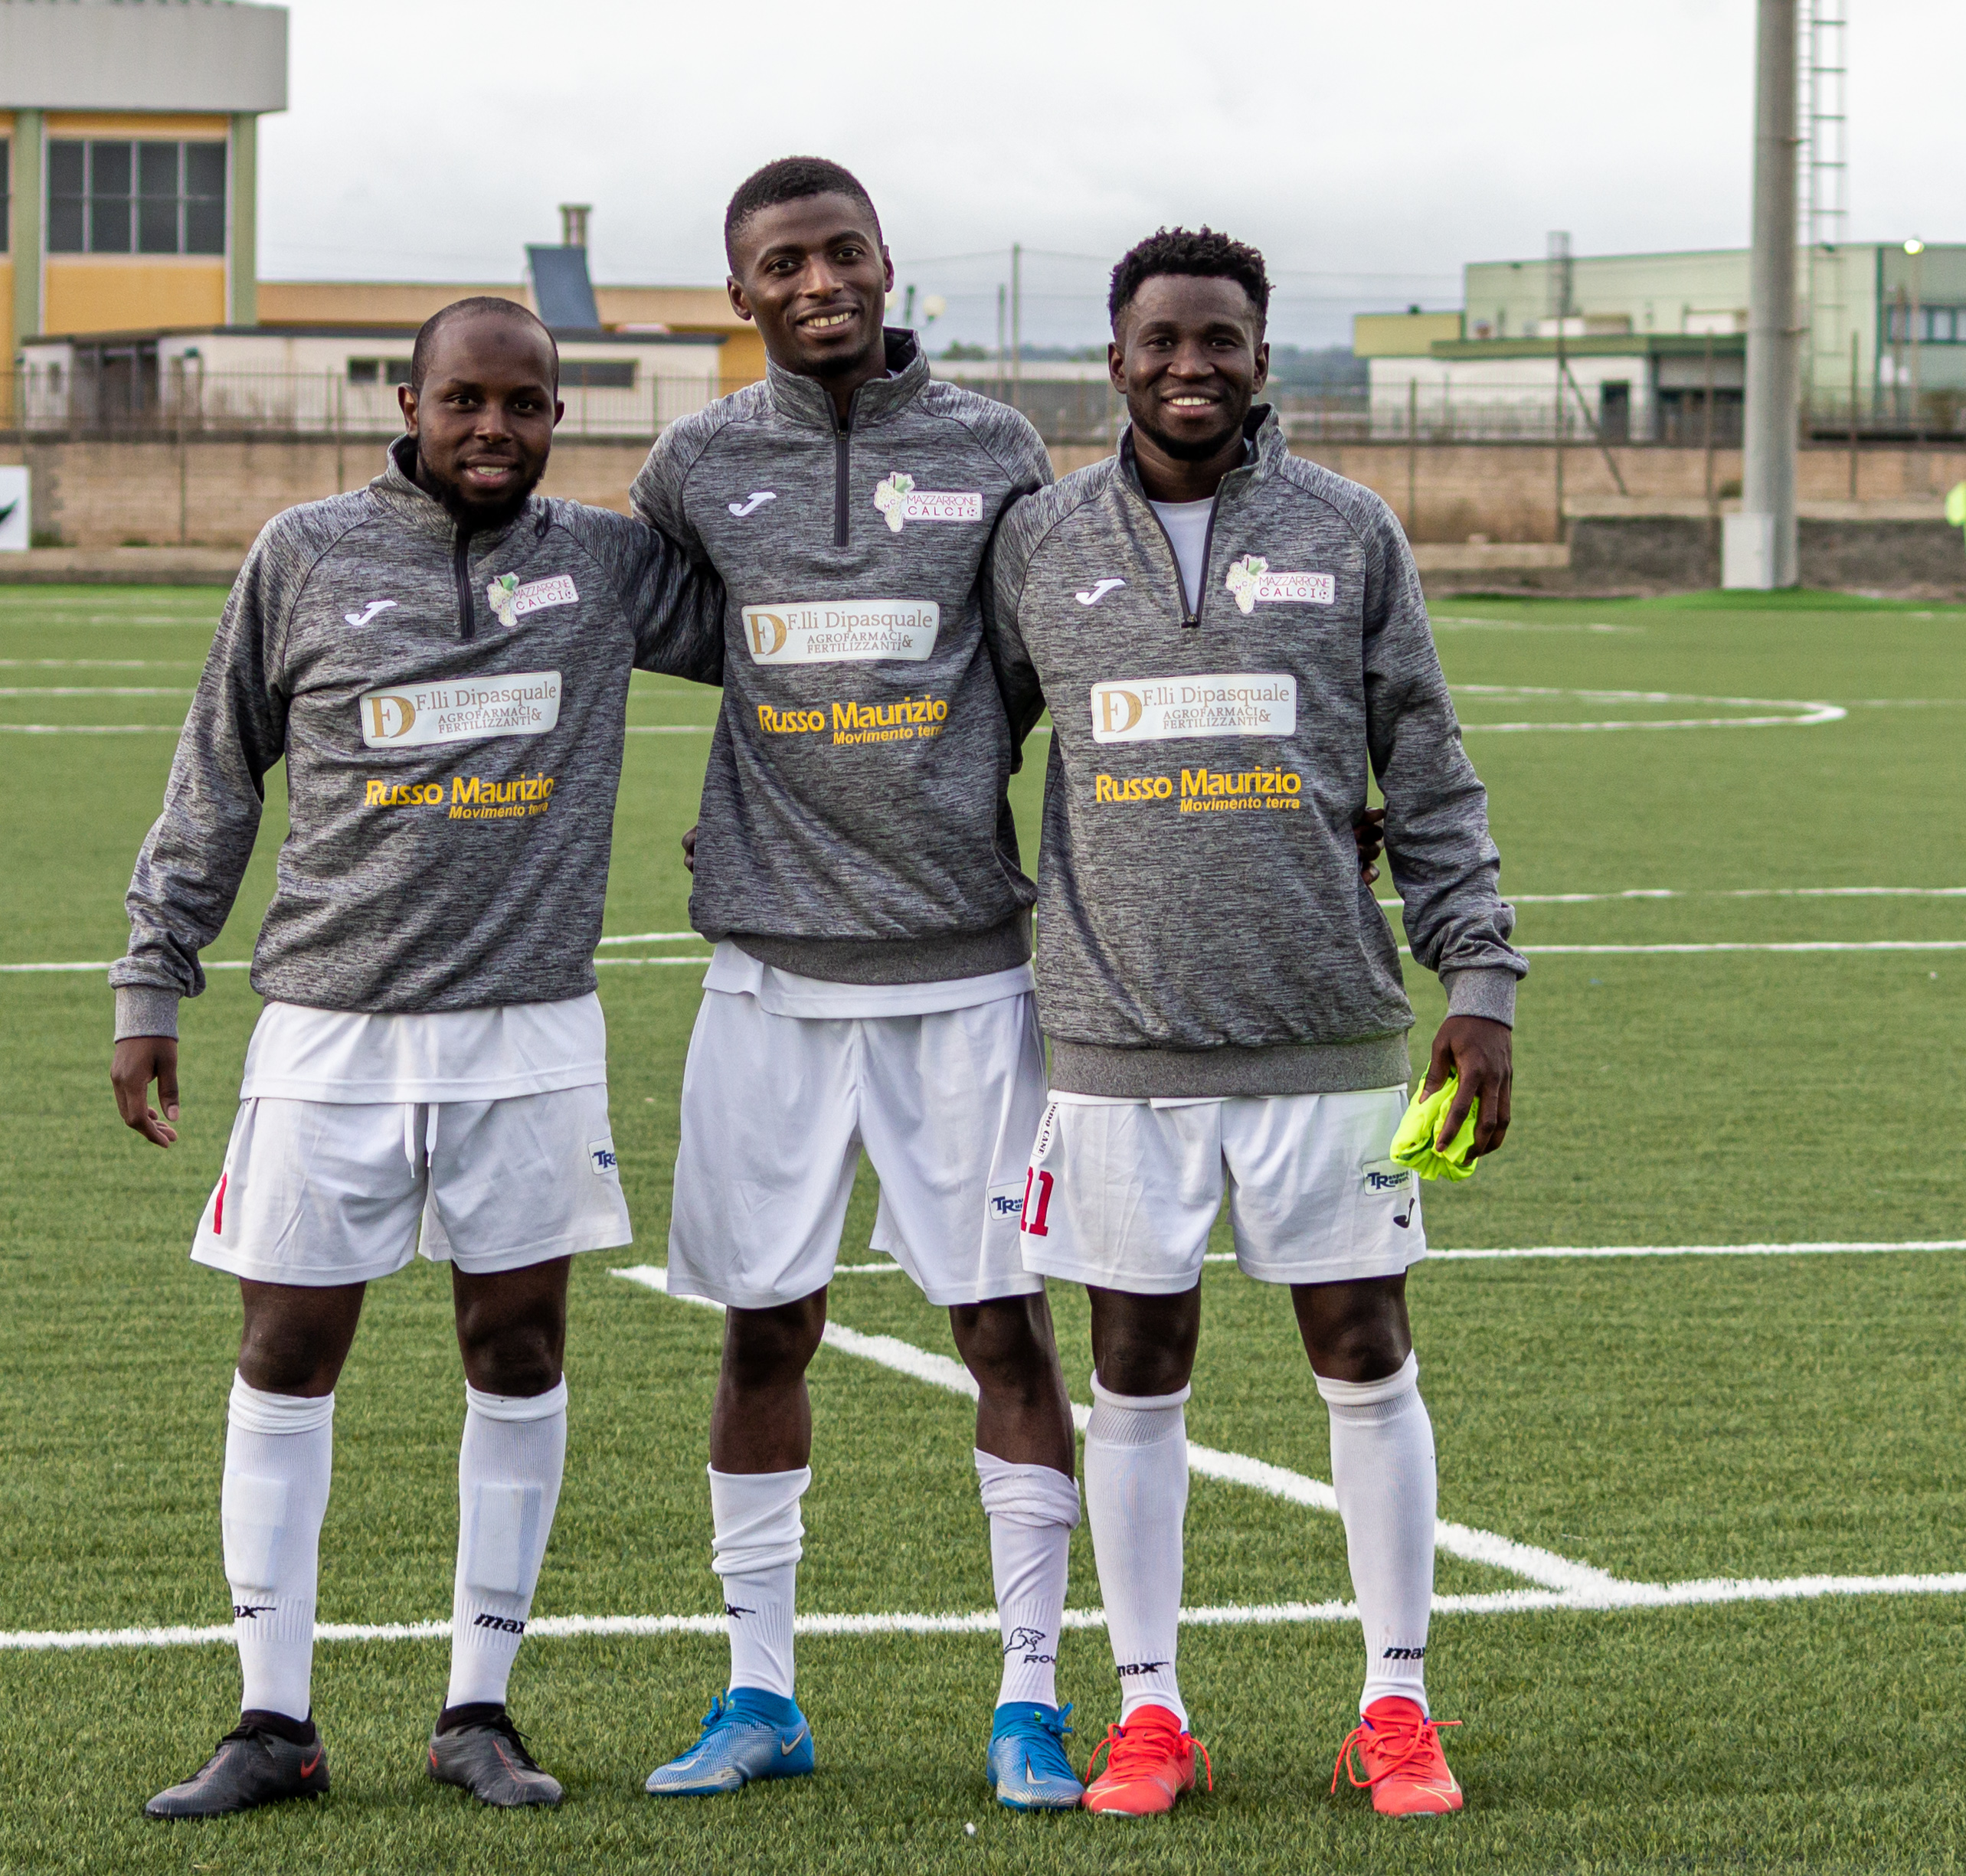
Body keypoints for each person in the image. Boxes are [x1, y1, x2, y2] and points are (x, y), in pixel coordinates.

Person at [109, 299, 725, 1819]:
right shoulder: (306, 553)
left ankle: (477, 1709)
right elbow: (217, 773)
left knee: (516, 1349)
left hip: (529, 1027)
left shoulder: (607, 564)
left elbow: (790, 641)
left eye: (524, 403)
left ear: (559, 415)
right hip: (330, 1029)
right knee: (285, 1346)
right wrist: (152, 974)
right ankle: (273, 1720)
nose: (493, 427)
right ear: (410, 403)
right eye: (465, 400)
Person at [986, 227, 1525, 1820]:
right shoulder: (1041, 541)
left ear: (1261, 355)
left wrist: (1478, 983)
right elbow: (954, 748)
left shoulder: (1348, 531)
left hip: (1326, 1031)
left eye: (1219, 338)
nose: (1189, 366)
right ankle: (1151, 1710)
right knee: (1135, 1363)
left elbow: (1427, 764)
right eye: (1160, 340)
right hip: (1116, 1038)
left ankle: (1397, 1703)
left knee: (1364, 1347)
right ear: (1115, 358)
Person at [625, 156, 1088, 1809]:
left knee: (1004, 1326)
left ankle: (1031, 1698)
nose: (817, 282)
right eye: (782, 263)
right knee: (766, 1330)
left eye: (842, 252)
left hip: (965, 970)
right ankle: (760, 1692)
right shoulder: (694, 464)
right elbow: (652, 623)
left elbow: (1038, 666)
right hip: (769, 968)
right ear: (738, 291)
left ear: (888, 262)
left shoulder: (994, 445)